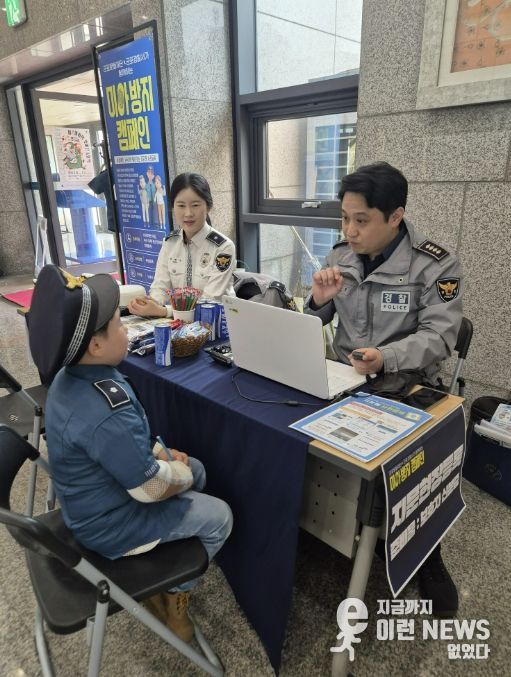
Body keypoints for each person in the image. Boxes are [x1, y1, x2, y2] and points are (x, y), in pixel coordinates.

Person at [28, 265, 233, 642]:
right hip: (110, 526)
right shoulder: (106, 409)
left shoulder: (70, 379)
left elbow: (121, 444)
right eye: (119, 324)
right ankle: (174, 597)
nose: (126, 330)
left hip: (95, 500)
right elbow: (149, 488)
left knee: (198, 469)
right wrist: (177, 471)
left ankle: (163, 556)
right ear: (95, 345)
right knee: (220, 516)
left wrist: (162, 456)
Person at [305, 161, 463, 617]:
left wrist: (385, 357)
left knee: (416, 463)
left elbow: (440, 337)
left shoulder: (435, 265)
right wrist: (316, 300)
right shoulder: (340, 256)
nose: (349, 231)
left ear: (395, 217)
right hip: (345, 381)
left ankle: (427, 552)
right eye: (344, 218)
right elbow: (313, 318)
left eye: (361, 220)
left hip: (405, 385)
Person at [129, 172, 236, 319]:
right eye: (181, 205)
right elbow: (160, 286)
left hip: (218, 324)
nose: (188, 213)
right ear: (173, 207)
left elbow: (209, 302)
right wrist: (149, 303)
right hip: (179, 324)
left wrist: (163, 311)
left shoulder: (223, 248)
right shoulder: (170, 242)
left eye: (195, 205)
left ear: (208, 206)